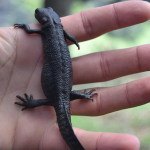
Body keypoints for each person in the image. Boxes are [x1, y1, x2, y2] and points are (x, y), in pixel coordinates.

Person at [0, 0, 149, 149]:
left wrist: (24, 26)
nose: (38, 12)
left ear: (45, 20)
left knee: (57, 99)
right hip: (63, 89)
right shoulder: (58, 30)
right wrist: (75, 42)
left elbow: (30, 30)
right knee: (59, 98)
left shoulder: (46, 30)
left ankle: (32, 103)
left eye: (40, 13)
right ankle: (73, 98)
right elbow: (69, 36)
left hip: (59, 89)